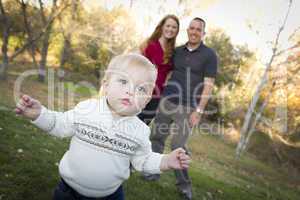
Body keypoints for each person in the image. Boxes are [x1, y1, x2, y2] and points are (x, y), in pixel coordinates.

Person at [15, 53, 191, 200]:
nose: (131, 91)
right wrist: (39, 114)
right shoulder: (87, 109)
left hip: (109, 195)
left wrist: (166, 161)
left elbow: (143, 160)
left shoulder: (140, 131)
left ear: (146, 101)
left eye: (141, 89)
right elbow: (59, 124)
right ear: (105, 85)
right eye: (123, 82)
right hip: (68, 192)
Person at [145, 18, 218, 200]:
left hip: (188, 107)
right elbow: (167, 73)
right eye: (191, 28)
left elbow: (209, 85)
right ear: (187, 30)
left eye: (198, 29)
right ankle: (153, 172)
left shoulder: (209, 55)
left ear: (203, 33)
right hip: (167, 101)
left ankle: (184, 186)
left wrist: (199, 111)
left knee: (179, 145)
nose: (194, 32)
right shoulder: (176, 51)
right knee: (157, 137)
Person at [138, 14, 179, 125]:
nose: (170, 29)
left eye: (174, 27)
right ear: (162, 26)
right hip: (143, 90)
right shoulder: (150, 44)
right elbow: (138, 66)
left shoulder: (173, 52)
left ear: (177, 31)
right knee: (131, 120)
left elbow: (170, 72)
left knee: (143, 125)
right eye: (168, 26)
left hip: (158, 95)